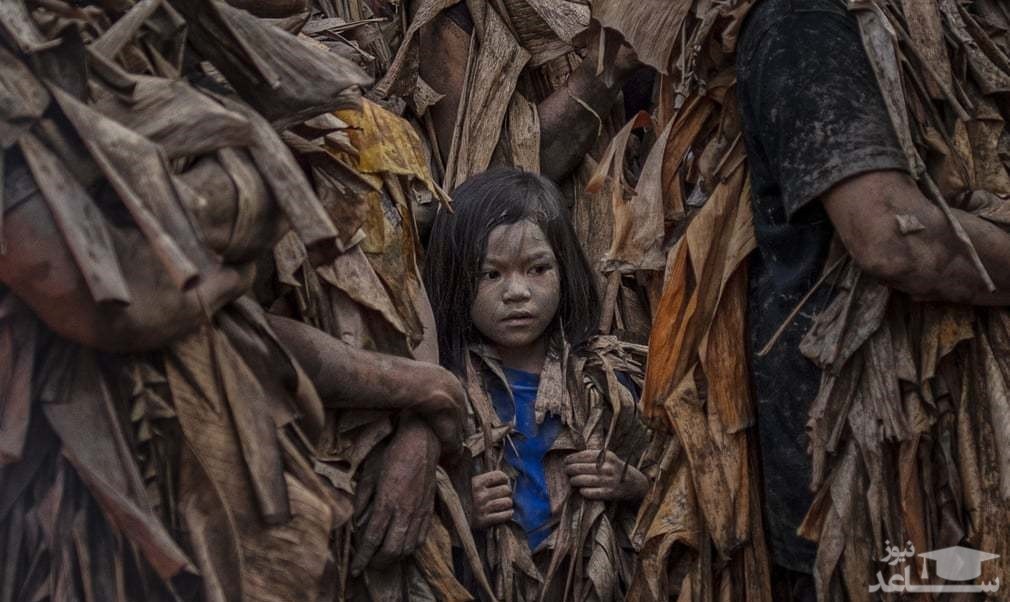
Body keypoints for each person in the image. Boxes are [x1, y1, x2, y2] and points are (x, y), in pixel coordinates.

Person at [736, 0, 1010, 598]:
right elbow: (895, 240)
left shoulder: (954, 23)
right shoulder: (804, 22)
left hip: (964, 469)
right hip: (870, 486)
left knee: (981, 575)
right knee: (905, 582)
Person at [424, 168, 651, 601]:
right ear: (455, 278)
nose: (517, 292)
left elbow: (673, 500)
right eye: (491, 274)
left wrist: (634, 485)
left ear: (564, 271)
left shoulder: (607, 380)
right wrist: (460, 513)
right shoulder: (444, 391)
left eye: (537, 269)